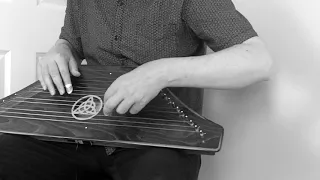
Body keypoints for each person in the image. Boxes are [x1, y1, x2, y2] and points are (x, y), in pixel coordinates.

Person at [0, 0, 273, 180]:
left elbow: (257, 61)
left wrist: (158, 73)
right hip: (84, 134)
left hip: (159, 141)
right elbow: (70, 40)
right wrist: (59, 49)